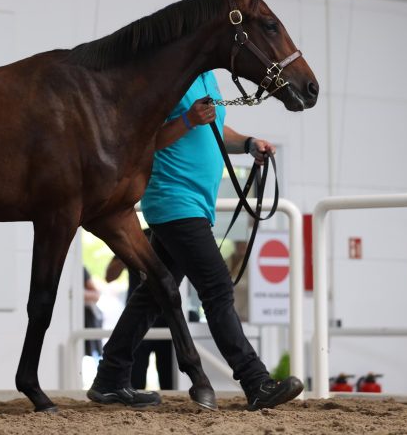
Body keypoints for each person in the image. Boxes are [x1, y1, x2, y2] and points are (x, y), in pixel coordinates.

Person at [87, 71, 304, 410]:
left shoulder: (209, 79)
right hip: (174, 202)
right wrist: (187, 119)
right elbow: (144, 140)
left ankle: (110, 377)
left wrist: (247, 144)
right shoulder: (166, 77)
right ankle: (255, 381)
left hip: (194, 206)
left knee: (153, 296)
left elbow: (216, 131)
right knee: (217, 288)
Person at [105, 229, 174, 390]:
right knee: (135, 379)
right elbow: (109, 276)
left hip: (166, 318)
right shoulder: (135, 236)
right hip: (137, 320)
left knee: (169, 381)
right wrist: (127, 254)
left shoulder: (172, 237)